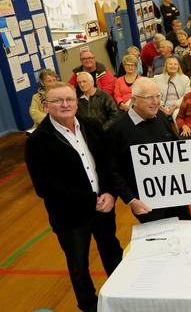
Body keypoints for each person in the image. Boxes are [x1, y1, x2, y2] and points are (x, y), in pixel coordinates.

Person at [25, 82, 123, 312]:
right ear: (47, 106)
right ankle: (89, 307)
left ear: (76, 102)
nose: (65, 104)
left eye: (69, 99)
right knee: (78, 267)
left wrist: (110, 193)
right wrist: (91, 201)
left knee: (113, 253)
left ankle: (120, 297)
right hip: (70, 218)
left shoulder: (92, 126)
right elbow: (46, 186)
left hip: (104, 207)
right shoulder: (37, 141)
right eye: (58, 101)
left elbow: (109, 164)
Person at [108, 78, 191, 223]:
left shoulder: (160, 117)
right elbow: (112, 171)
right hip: (147, 203)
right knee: (159, 242)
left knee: (186, 233)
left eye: (158, 96)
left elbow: (177, 147)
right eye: (149, 97)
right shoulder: (117, 130)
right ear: (134, 99)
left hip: (175, 194)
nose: (156, 102)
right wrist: (131, 200)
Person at [153, 56, 191, 122]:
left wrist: (174, 107)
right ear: (166, 66)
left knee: (177, 114)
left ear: (178, 66)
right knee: (157, 115)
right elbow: (155, 95)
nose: (173, 66)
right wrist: (162, 107)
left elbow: (187, 96)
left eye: (175, 64)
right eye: (170, 64)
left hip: (179, 107)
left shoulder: (185, 78)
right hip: (161, 107)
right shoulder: (157, 78)